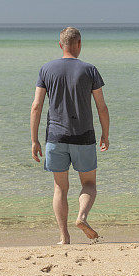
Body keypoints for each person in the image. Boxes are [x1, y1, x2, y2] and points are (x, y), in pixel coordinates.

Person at [30, 27, 109, 244]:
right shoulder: (90, 70)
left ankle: (64, 237)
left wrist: (35, 139)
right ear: (79, 44)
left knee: (60, 188)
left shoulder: (46, 69)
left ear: (60, 45)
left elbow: (36, 106)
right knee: (89, 184)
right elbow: (101, 107)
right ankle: (82, 217)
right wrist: (105, 134)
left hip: (56, 138)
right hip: (83, 136)